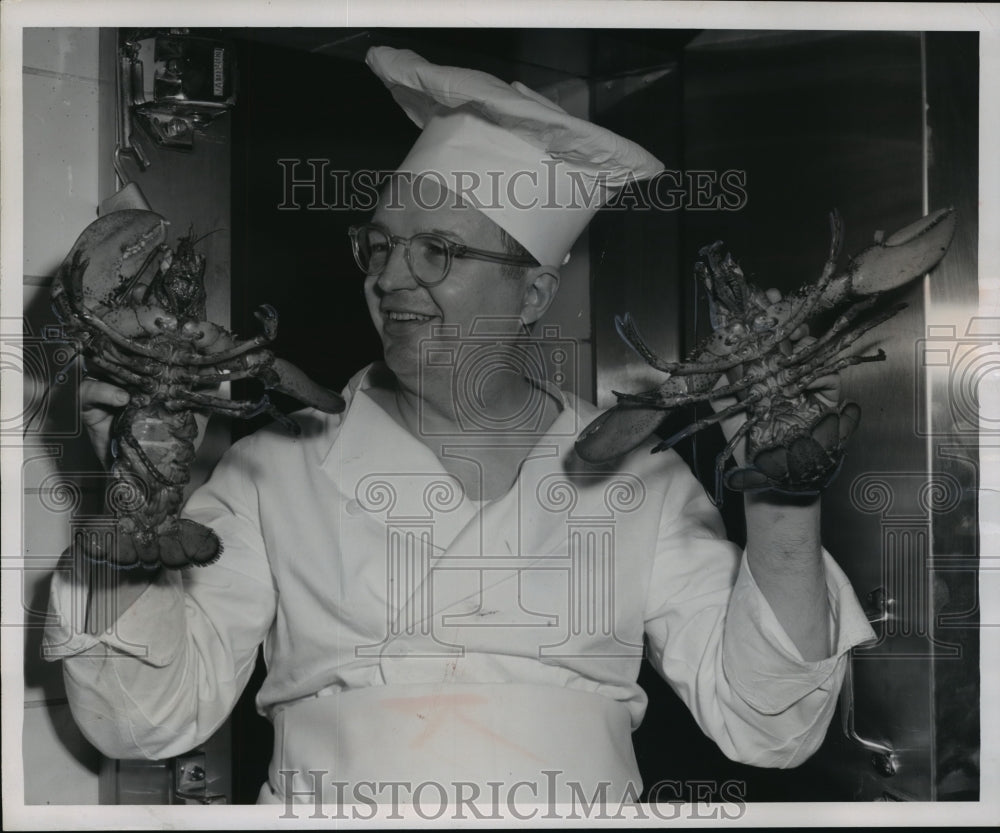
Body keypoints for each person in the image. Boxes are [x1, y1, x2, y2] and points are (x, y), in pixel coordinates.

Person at [44, 46, 877, 809]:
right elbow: (142, 722)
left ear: (533, 298)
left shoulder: (640, 476)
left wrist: (782, 495)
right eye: (379, 246)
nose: (391, 278)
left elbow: (771, 728)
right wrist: (129, 498)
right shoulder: (277, 467)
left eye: (437, 250)